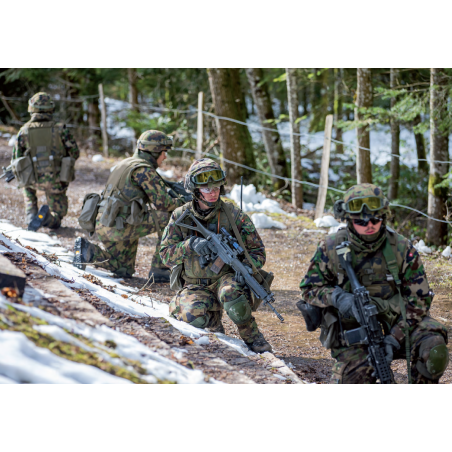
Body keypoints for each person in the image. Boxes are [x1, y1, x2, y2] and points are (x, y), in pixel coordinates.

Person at [299, 183, 449, 384]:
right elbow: (309, 290)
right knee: (354, 379)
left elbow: (419, 300)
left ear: (384, 215)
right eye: (360, 221)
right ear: (349, 219)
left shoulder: (402, 248)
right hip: (353, 330)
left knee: (435, 348)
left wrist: (394, 338)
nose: (369, 224)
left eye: (375, 219)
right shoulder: (331, 247)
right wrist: (338, 297)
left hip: (399, 324)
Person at [159, 158, 273, 353]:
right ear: (195, 191)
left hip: (226, 280)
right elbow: (165, 254)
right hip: (194, 283)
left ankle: (252, 336)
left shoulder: (234, 215)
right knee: (191, 318)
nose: (213, 193)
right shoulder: (180, 215)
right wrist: (191, 245)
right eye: (206, 189)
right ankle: (212, 320)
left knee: (232, 293)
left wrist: (247, 266)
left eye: (217, 188)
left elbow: (257, 252)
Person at [73, 130, 187, 281]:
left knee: (123, 269)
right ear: (155, 151)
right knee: (169, 216)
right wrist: (184, 202)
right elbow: (163, 204)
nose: (165, 156)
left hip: (108, 223)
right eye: (164, 152)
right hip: (118, 225)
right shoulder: (144, 170)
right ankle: (160, 268)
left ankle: (88, 251)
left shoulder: (126, 163)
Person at [11, 92, 80, 230]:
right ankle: (49, 219)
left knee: (27, 185)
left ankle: (31, 215)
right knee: (58, 215)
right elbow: (74, 152)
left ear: (31, 108)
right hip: (56, 180)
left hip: (33, 180)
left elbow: (16, 160)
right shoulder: (61, 129)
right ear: (51, 108)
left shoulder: (23, 131)